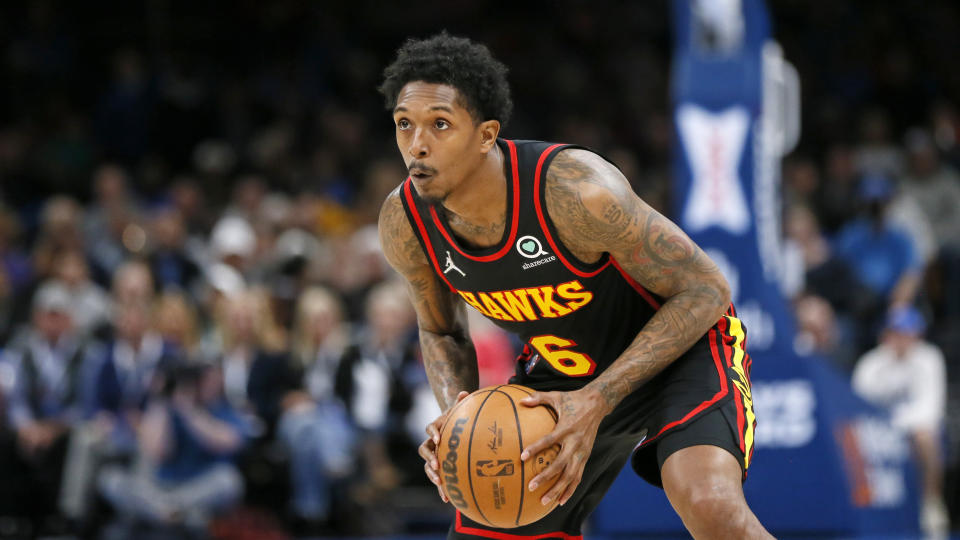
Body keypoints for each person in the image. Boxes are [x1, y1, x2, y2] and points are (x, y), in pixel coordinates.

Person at [376, 34, 769, 539]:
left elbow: (706, 290)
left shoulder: (575, 191)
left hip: (682, 351)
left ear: (486, 134)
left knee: (708, 502)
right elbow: (441, 332)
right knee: (491, 522)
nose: (417, 144)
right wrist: (459, 418)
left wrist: (600, 398)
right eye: (404, 124)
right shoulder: (405, 223)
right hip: (567, 374)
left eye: (440, 124)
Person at [851, 307, 949, 539]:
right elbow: (854, 406)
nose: (901, 339)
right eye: (896, 332)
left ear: (917, 334)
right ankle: (863, 509)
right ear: (886, 334)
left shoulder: (930, 358)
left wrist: (893, 425)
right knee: (851, 438)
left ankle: (931, 502)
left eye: (907, 332)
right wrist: (884, 428)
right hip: (879, 431)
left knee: (925, 436)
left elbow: (930, 411)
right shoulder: (871, 363)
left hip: (914, 431)